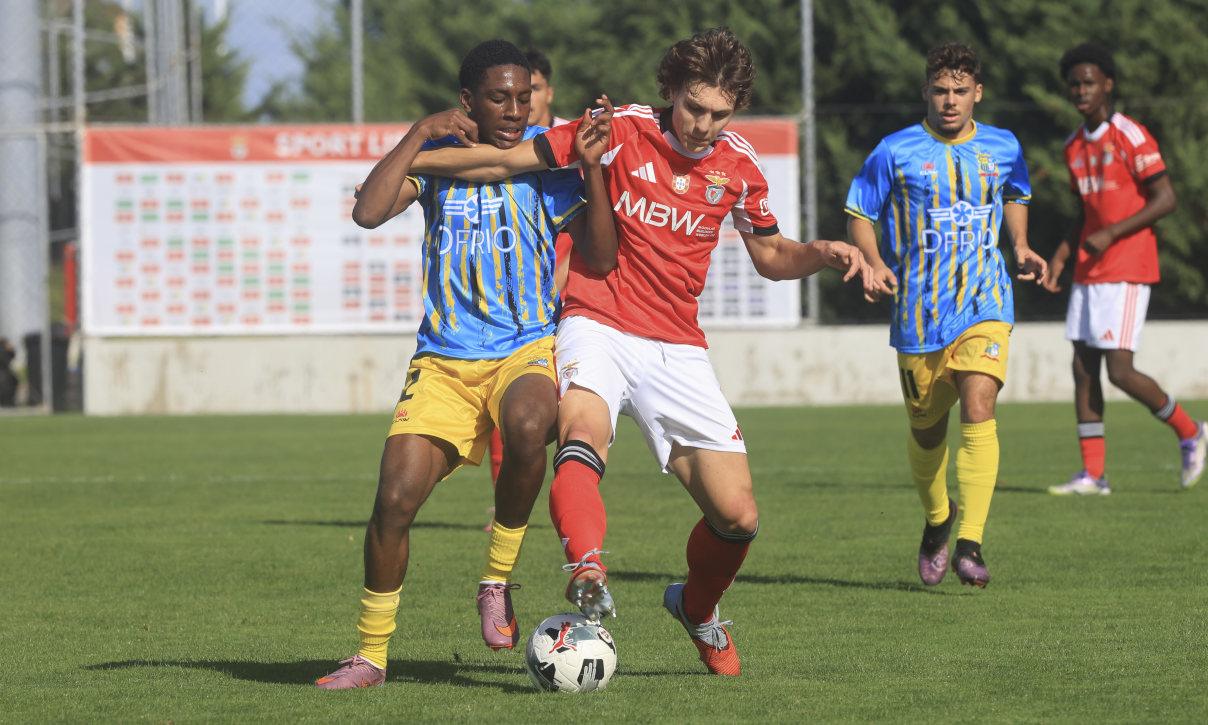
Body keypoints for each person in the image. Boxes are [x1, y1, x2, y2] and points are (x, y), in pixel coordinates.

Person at [411, 27, 873, 676]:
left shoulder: (737, 164)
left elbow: (771, 256)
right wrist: (409, 162)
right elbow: (504, 163)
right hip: (595, 320)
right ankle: (587, 567)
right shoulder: (617, 127)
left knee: (738, 515)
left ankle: (697, 608)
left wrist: (822, 253)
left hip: (677, 346)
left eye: (719, 113)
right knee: (581, 435)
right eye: (693, 108)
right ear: (671, 91)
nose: (703, 125)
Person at [315, 39, 615, 690]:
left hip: (522, 345)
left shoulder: (548, 157)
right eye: (499, 96)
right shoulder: (439, 157)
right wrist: (420, 133)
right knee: (392, 500)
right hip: (444, 361)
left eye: (524, 94)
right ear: (468, 102)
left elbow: (602, 251)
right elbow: (368, 211)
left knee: (533, 421)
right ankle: (371, 655)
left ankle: (496, 578)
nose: (515, 107)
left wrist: (591, 170)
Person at [845, 42, 1047, 589]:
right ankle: (939, 519)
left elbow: (1016, 193)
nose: (950, 100)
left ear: (977, 92)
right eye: (940, 90)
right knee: (927, 433)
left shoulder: (1003, 146)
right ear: (926, 92)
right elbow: (861, 211)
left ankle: (971, 542)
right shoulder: (895, 150)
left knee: (980, 403)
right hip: (917, 313)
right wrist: (873, 261)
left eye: (961, 90)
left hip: (986, 300)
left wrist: (1021, 245)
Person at [1042, 43, 1206, 494]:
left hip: (1128, 266)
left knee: (1119, 370)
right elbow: (1084, 212)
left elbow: (1165, 198)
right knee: (1082, 367)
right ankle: (1093, 475)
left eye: (1089, 82)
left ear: (1108, 84)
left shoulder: (1129, 135)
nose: (1080, 90)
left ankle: (1191, 431)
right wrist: (1060, 253)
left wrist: (1112, 234)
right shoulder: (1072, 146)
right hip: (1089, 269)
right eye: (1074, 83)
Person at [483, 49, 575, 532]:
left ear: (547, 93)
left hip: (569, 295)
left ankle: (570, 500)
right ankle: (507, 507)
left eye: (531, 91)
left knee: (569, 409)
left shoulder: (567, 143)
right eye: (510, 95)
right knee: (513, 408)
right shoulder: (498, 142)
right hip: (518, 303)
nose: (523, 102)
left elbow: (589, 224)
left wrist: (565, 275)